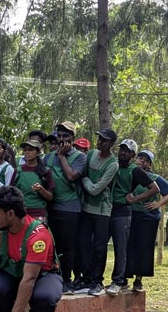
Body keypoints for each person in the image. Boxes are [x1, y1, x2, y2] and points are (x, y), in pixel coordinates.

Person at [106, 139, 158, 295]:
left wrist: (134, 199)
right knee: (99, 245)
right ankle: (95, 279)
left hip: (122, 211)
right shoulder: (112, 164)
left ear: (132, 154)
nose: (123, 153)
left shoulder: (135, 171)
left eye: (127, 151)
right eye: (121, 149)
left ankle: (118, 281)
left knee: (121, 248)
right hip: (106, 209)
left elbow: (154, 188)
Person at [74, 128, 120, 296]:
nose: (100, 142)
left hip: (102, 210)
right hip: (86, 208)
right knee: (83, 244)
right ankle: (85, 278)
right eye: (99, 139)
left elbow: (95, 190)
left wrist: (86, 180)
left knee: (99, 247)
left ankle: (97, 280)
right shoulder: (92, 154)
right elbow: (83, 174)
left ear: (111, 144)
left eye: (104, 140)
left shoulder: (113, 164)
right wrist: (89, 181)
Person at [43, 121, 86, 293]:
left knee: (68, 247)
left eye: (66, 136)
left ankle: (67, 280)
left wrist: (61, 156)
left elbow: (71, 176)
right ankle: (54, 278)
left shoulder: (79, 157)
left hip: (70, 208)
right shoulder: (48, 157)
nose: (61, 139)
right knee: (53, 246)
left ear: (72, 138)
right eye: (59, 136)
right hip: (51, 207)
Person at [125, 150, 168, 292]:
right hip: (130, 214)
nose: (142, 161)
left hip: (147, 217)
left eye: (146, 160)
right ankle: (123, 278)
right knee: (127, 246)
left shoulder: (154, 177)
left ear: (149, 165)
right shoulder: (129, 173)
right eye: (140, 158)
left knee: (144, 248)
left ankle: (138, 280)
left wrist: (158, 204)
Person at [14, 137, 54, 224]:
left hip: (38, 212)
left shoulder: (45, 172)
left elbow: (50, 197)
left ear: (38, 152)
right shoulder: (18, 171)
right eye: (25, 150)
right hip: (21, 212)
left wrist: (41, 190)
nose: (27, 152)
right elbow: (11, 192)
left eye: (30, 150)